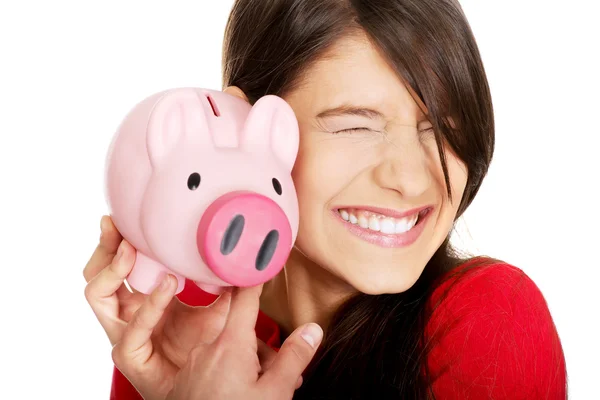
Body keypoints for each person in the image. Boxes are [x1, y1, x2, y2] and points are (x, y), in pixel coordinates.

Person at [83, 0, 567, 398]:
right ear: (247, 126)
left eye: (441, 128)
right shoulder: (178, 328)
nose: (412, 180)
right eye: (355, 125)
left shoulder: (490, 320)